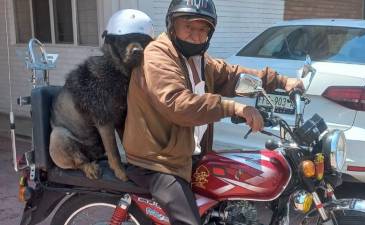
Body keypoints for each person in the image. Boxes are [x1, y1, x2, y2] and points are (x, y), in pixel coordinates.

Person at [123, 0, 304, 224]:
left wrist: (282, 81)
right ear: (172, 25)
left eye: (202, 30)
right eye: (188, 27)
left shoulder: (198, 60)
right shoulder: (158, 55)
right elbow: (179, 104)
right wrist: (233, 107)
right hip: (158, 160)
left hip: (188, 153)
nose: (195, 35)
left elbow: (233, 76)